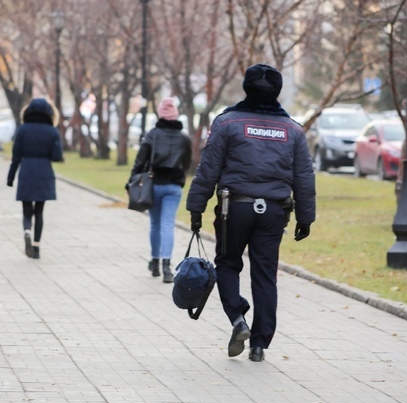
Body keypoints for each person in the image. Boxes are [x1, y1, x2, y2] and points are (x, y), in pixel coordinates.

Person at [186, 64, 316, 362]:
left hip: (235, 209)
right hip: (273, 212)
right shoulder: (294, 131)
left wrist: (196, 208)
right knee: (265, 276)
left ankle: (237, 319)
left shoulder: (227, 123)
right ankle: (258, 345)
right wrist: (306, 217)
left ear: (246, 88)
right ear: (278, 91)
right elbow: (305, 178)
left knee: (228, 264)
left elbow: (208, 170)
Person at [126, 97, 192, 283]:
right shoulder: (184, 138)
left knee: (155, 224)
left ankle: (154, 263)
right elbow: (187, 163)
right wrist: (180, 177)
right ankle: (167, 266)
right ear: (175, 114)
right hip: (173, 186)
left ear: (161, 114)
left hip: (153, 185)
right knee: (167, 224)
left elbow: (139, 161)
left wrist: (130, 182)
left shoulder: (152, 134)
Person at [6, 98, 63, 259]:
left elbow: (15, 156)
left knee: (26, 210)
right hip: (44, 173)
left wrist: (10, 178)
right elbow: (57, 156)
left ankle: (26, 231)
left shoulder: (23, 130)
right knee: (39, 211)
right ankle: (36, 248)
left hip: (26, 172)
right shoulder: (52, 131)